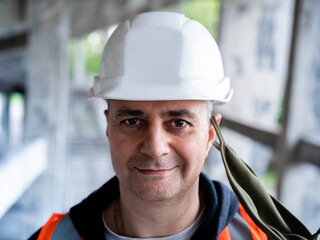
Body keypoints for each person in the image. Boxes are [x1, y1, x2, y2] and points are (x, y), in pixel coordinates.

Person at [29, 11, 270, 240]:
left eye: (178, 123)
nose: (155, 148)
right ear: (109, 129)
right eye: (132, 121)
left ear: (209, 135)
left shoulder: (260, 235)